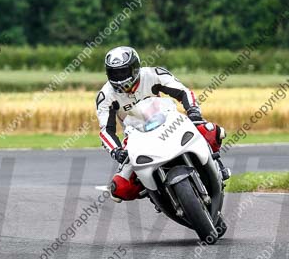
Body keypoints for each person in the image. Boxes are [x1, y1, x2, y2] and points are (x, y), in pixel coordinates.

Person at [96, 46, 230, 202]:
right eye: (114, 73)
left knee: (210, 130)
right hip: (136, 136)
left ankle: (216, 163)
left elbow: (183, 92)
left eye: (123, 71)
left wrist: (193, 112)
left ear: (135, 67)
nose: (119, 77)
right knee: (119, 189)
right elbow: (106, 130)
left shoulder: (153, 74)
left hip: (168, 121)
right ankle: (155, 193)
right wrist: (117, 151)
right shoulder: (105, 96)